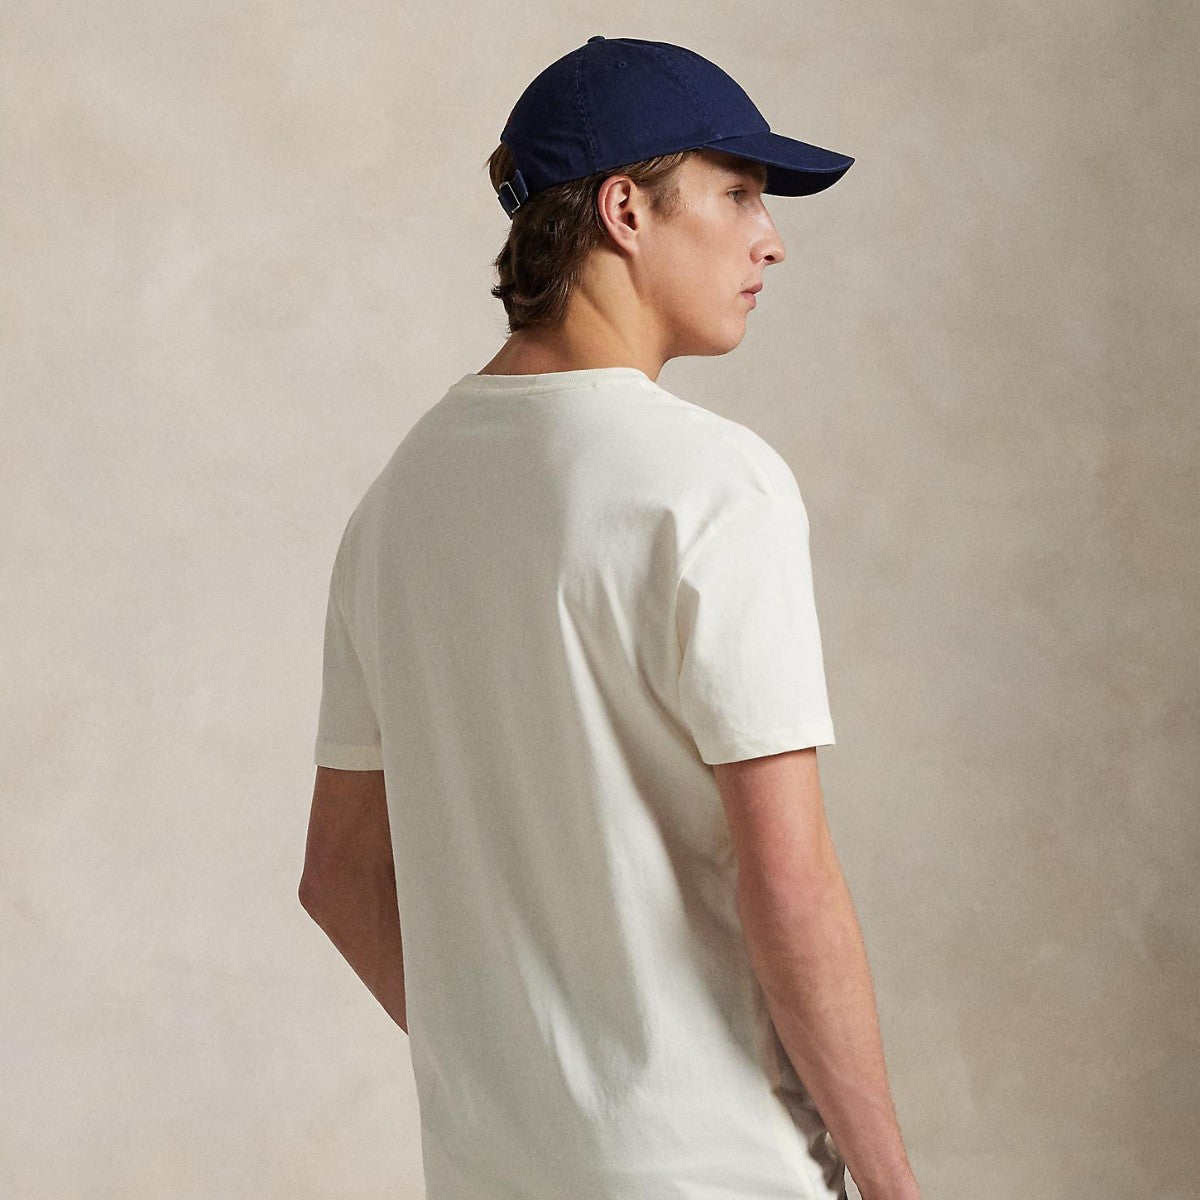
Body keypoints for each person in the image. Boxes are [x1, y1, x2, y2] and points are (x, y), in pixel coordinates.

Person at [300, 35, 922, 1200]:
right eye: (737, 192)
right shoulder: (709, 483)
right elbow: (790, 885)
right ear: (626, 210)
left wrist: (524, 1087)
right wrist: (893, 1186)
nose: (771, 237)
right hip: (716, 1171)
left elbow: (336, 875)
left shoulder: (397, 503)